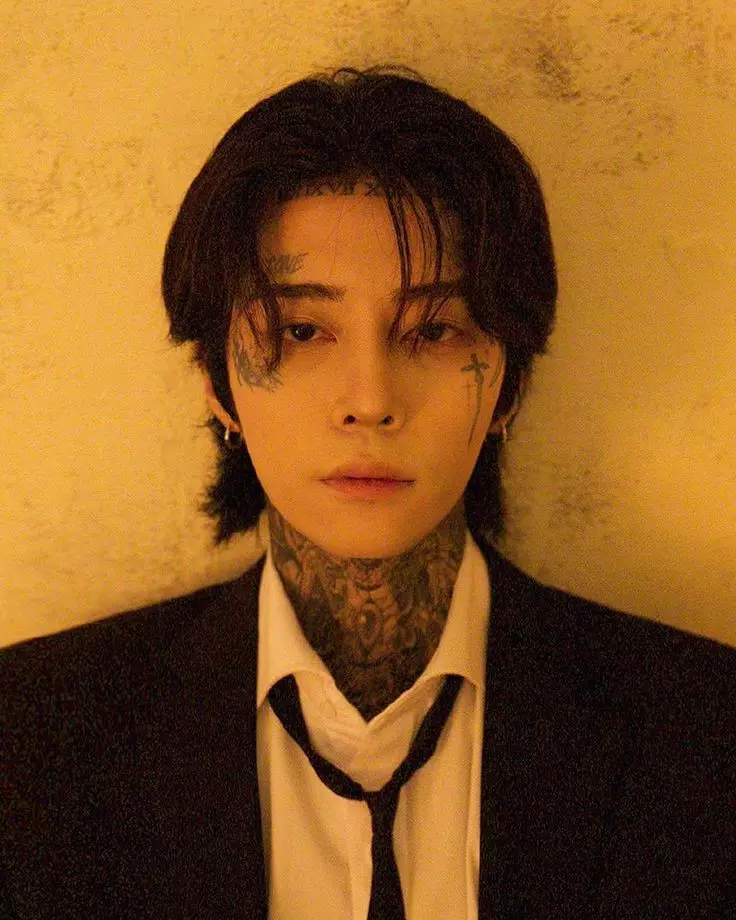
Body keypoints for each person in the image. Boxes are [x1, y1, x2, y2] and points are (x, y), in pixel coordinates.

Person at [1, 65, 734, 920]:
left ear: (508, 383)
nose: (371, 399)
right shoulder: (35, 739)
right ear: (215, 381)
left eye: (434, 329)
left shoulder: (703, 736)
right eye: (302, 329)